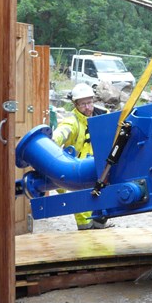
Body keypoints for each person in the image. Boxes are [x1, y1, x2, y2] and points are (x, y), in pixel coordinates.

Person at [52, 82, 110, 230]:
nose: (88, 108)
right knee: (83, 209)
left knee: (104, 202)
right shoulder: (72, 121)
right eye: (83, 104)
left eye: (90, 102)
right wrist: (53, 141)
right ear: (76, 104)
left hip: (99, 168)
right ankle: (86, 233)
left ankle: (100, 226)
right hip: (79, 171)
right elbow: (63, 131)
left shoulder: (102, 116)